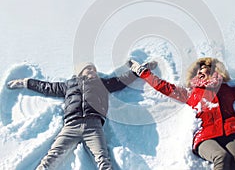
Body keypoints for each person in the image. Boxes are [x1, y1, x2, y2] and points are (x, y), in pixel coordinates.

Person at [130, 57, 235, 170]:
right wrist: (142, 72)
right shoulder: (191, 94)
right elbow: (163, 86)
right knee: (221, 157)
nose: (201, 72)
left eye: (205, 69)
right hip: (206, 137)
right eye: (198, 71)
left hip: (232, 130)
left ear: (214, 71)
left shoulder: (226, 90)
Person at [7, 61, 144, 170]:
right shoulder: (68, 85)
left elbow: (121, 80)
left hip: (93, 126)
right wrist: (25, 82)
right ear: (80, 72)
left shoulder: (102, 83)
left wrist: (138, 71)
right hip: (71, 126)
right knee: (51, 158)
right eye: (89, 69)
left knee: (103, 159)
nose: (93, 72)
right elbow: (46, 87)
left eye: (95, 70)